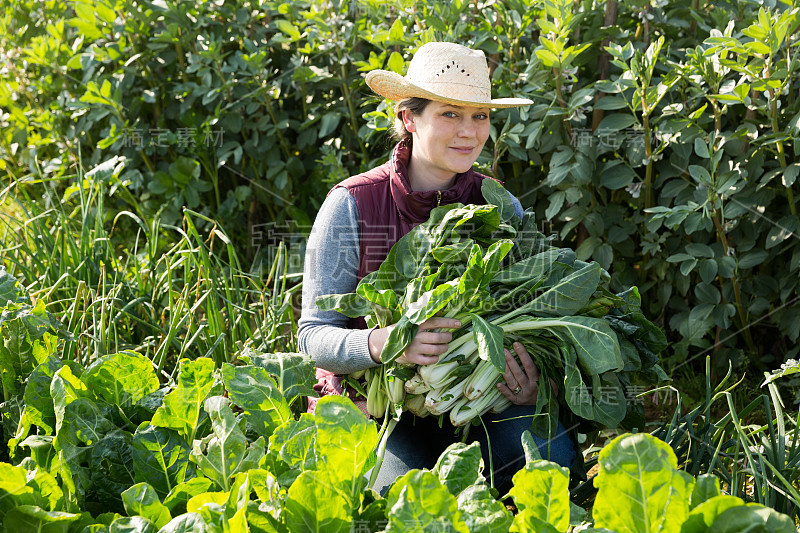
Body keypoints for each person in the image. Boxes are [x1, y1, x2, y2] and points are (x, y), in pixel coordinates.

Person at [298, 41, 576, 495]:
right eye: (450, 113)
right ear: (410, 118)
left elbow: (529, 317)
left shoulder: (501, 204)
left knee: (549, 474)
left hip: (479, 401)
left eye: (480, 116)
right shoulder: (352, 204)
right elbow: (313, 337)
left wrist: (533, 384)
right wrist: (386, 343)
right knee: (398, 498)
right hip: (380, 408)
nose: (469, 132)